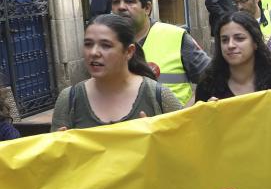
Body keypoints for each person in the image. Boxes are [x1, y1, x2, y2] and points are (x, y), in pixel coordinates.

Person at [51, 14, 182, 131]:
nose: (93, 53)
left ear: (129, 51)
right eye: (88, 44)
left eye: (106, 45)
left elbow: (187, 145)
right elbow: (52, 155)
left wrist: (159, 140)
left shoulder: (158, 96)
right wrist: (59, 149)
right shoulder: (69, 99)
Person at [110, 0, 210, 106]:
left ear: (147, 8)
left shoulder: (176, 36)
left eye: (129, 1)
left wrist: (187, 110)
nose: (121, 7)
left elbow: (213, 78)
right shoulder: (104, 43)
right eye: (115, 1)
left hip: (173, 124)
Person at [195, 12, 271, 101]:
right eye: (224, 40)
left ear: (255, 42)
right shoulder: (207, 85)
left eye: (239, 38)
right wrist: (208, 112)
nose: (230, 45)